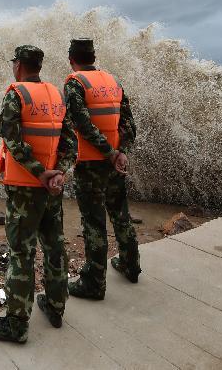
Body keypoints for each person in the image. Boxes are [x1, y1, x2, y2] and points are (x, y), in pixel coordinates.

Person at [0, 45, 76, 344]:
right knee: (54, 245)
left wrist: (39, 172)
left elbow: (10, 137)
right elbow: (70, 141)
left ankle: (17, 325)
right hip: (53, 187)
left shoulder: (17, 93)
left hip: (26, 187)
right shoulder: (57, 94)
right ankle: (56, 307)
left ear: (19, 65)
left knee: (21, 253)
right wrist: (58, 172)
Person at [63, 38, 140, 300]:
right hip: (115, 162)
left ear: (72, 58)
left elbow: (82, 124)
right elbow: (129, 124)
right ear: (93, 57)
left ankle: (94, 283)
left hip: (91, 165)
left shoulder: (75, 83)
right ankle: (131, 265)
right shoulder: (112, 81)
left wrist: (109, 154)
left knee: (94, 223)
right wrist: (121, 154)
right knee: (121, 215)